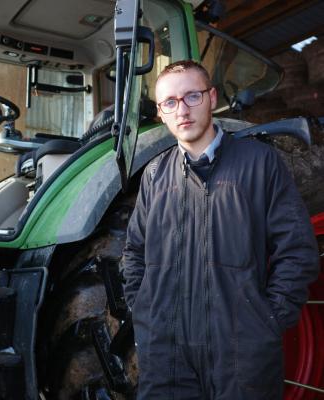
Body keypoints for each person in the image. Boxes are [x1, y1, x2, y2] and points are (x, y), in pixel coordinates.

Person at [122, 60, 319, 399]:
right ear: (161, 112)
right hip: (167, 358)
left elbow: (297, 251)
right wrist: (146, 315)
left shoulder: (260, 163)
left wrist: (266, 321)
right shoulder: (155, 175)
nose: (182, 110)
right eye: (170, 102)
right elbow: (134, 254)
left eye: (192, 97)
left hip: (242, 355)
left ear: (211, 98)